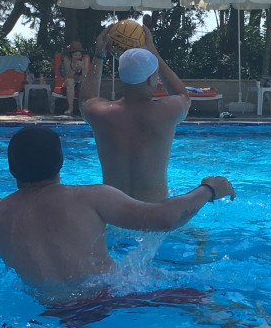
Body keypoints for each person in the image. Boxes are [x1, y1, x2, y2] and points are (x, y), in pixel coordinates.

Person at [0, 126, 234, 285]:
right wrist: (208, 189)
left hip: (51, 315)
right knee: (206, 299)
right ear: (60, 163)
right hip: (113, 298)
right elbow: (164, 218)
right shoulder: (91, 197)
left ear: (11, 169)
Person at [79, 25, 191, 202]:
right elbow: (182, 95)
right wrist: (154, 53)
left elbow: (85, 98)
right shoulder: (167, 111)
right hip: (154, 211)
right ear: (151, 78)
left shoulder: (100, 112)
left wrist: (99, 54)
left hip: (114, 210)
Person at [61, 41, 89, 115]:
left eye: (79, 55)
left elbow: (85, 75)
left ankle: (84, 109)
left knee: (84, 83)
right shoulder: (67, 59)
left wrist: (82, 67)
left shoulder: (85, 59)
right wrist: (74, 68)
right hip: (68, 81)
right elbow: (69, 76)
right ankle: (70, 108)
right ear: (71, 55)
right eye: (75, 55)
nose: (78, 57)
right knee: (70, 81)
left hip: (80, 81)